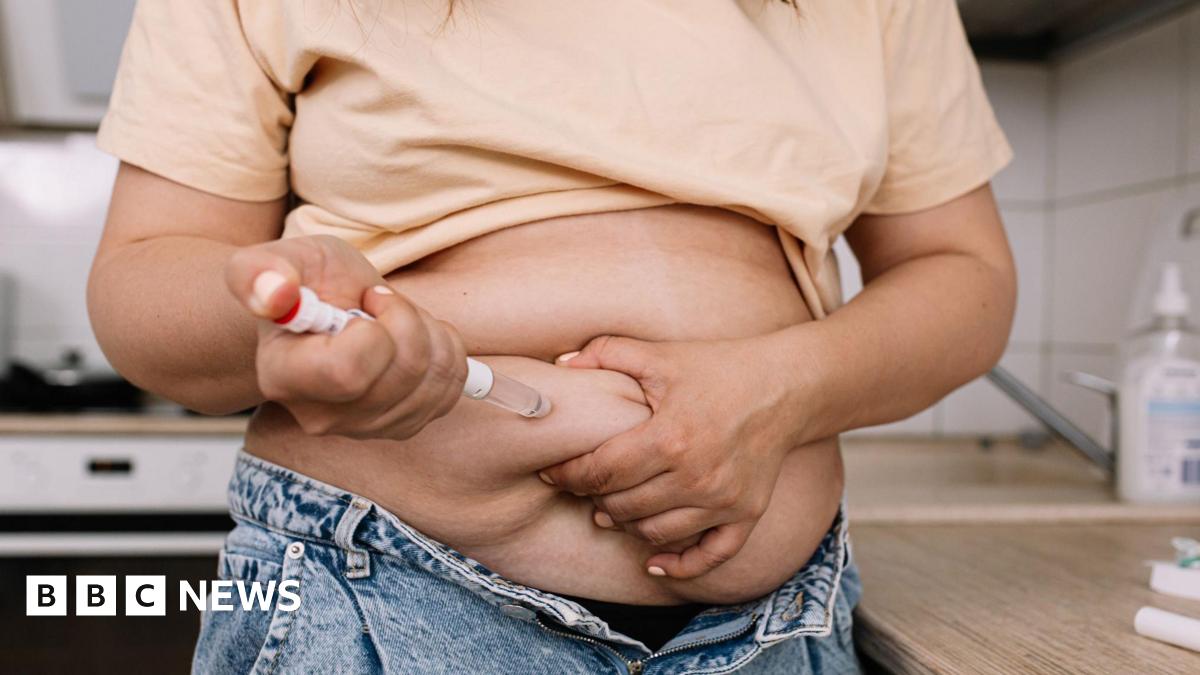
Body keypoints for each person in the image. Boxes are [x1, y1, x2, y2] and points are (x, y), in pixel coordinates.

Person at [87, 1, 1016, 672]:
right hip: (379, 601)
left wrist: (784, 388)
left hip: (777, 632)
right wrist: (272, 310)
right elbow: (141, 287)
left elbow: (964, 276)